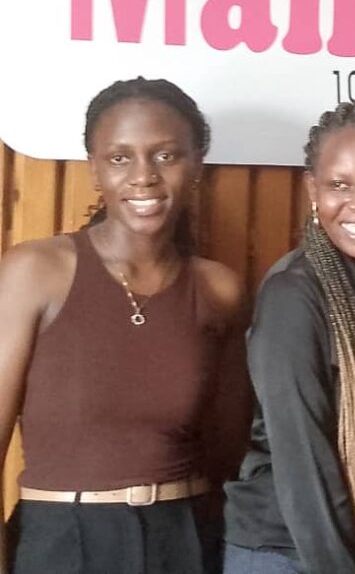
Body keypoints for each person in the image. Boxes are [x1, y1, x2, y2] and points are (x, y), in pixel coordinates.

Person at [0, 77, 250, 574]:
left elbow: (228, 451)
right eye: (120, 158)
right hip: (61, 541)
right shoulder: (35, 271)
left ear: (196, 164)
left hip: (184, 538)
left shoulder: (220, 290)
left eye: (165, 156)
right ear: (94, 168)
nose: (143, 177)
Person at [222, 100, 355, 574]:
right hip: (290, 549)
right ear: (313, 189)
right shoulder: (294, 295)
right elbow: (304, 464)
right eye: (339, 185)